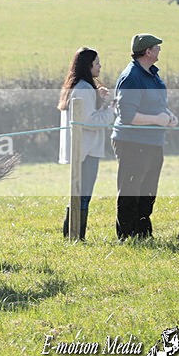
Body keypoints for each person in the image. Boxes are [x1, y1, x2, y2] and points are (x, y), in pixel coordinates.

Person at [111, 34, 178, 241]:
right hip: (132, 142)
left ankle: (143, 233)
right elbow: (128, 116)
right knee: (131, 189)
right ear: (147, 51)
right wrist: (157, 120)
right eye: (156, 47)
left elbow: (156, 104)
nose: (159, 50)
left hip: (153, 142)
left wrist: (168, 115)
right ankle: (127, 235)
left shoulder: (153, 75)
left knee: (148, 189)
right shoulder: (132, 77)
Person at [58, 47, 115, 240]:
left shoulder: (80, 87)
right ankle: (75, 235)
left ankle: (72, 234)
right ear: (88, 66)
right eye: (97, 63)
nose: (100, 66)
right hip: (86, 149)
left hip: (82, 148)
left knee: (80, 192)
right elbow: (90, 121)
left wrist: (99, 98)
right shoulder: (83, 89)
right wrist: (112, 110)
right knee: (83, 194)